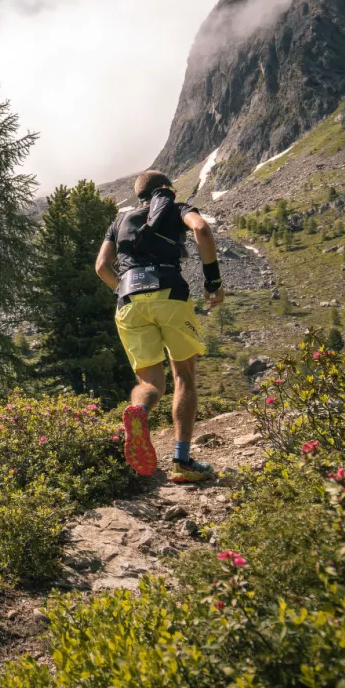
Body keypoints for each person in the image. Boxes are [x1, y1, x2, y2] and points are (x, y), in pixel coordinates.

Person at [94, 169, 224, 482]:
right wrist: (213, 281)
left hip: (129, 302)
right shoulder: (177, 209)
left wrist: (125, 288)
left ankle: (139, 413)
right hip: (170, 295)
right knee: (184, 377)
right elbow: (202, 231)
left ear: (139, 195)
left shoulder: (118, 222)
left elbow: (101, 266)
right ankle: (182, 461)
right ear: (169, 191)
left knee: (151, 383)